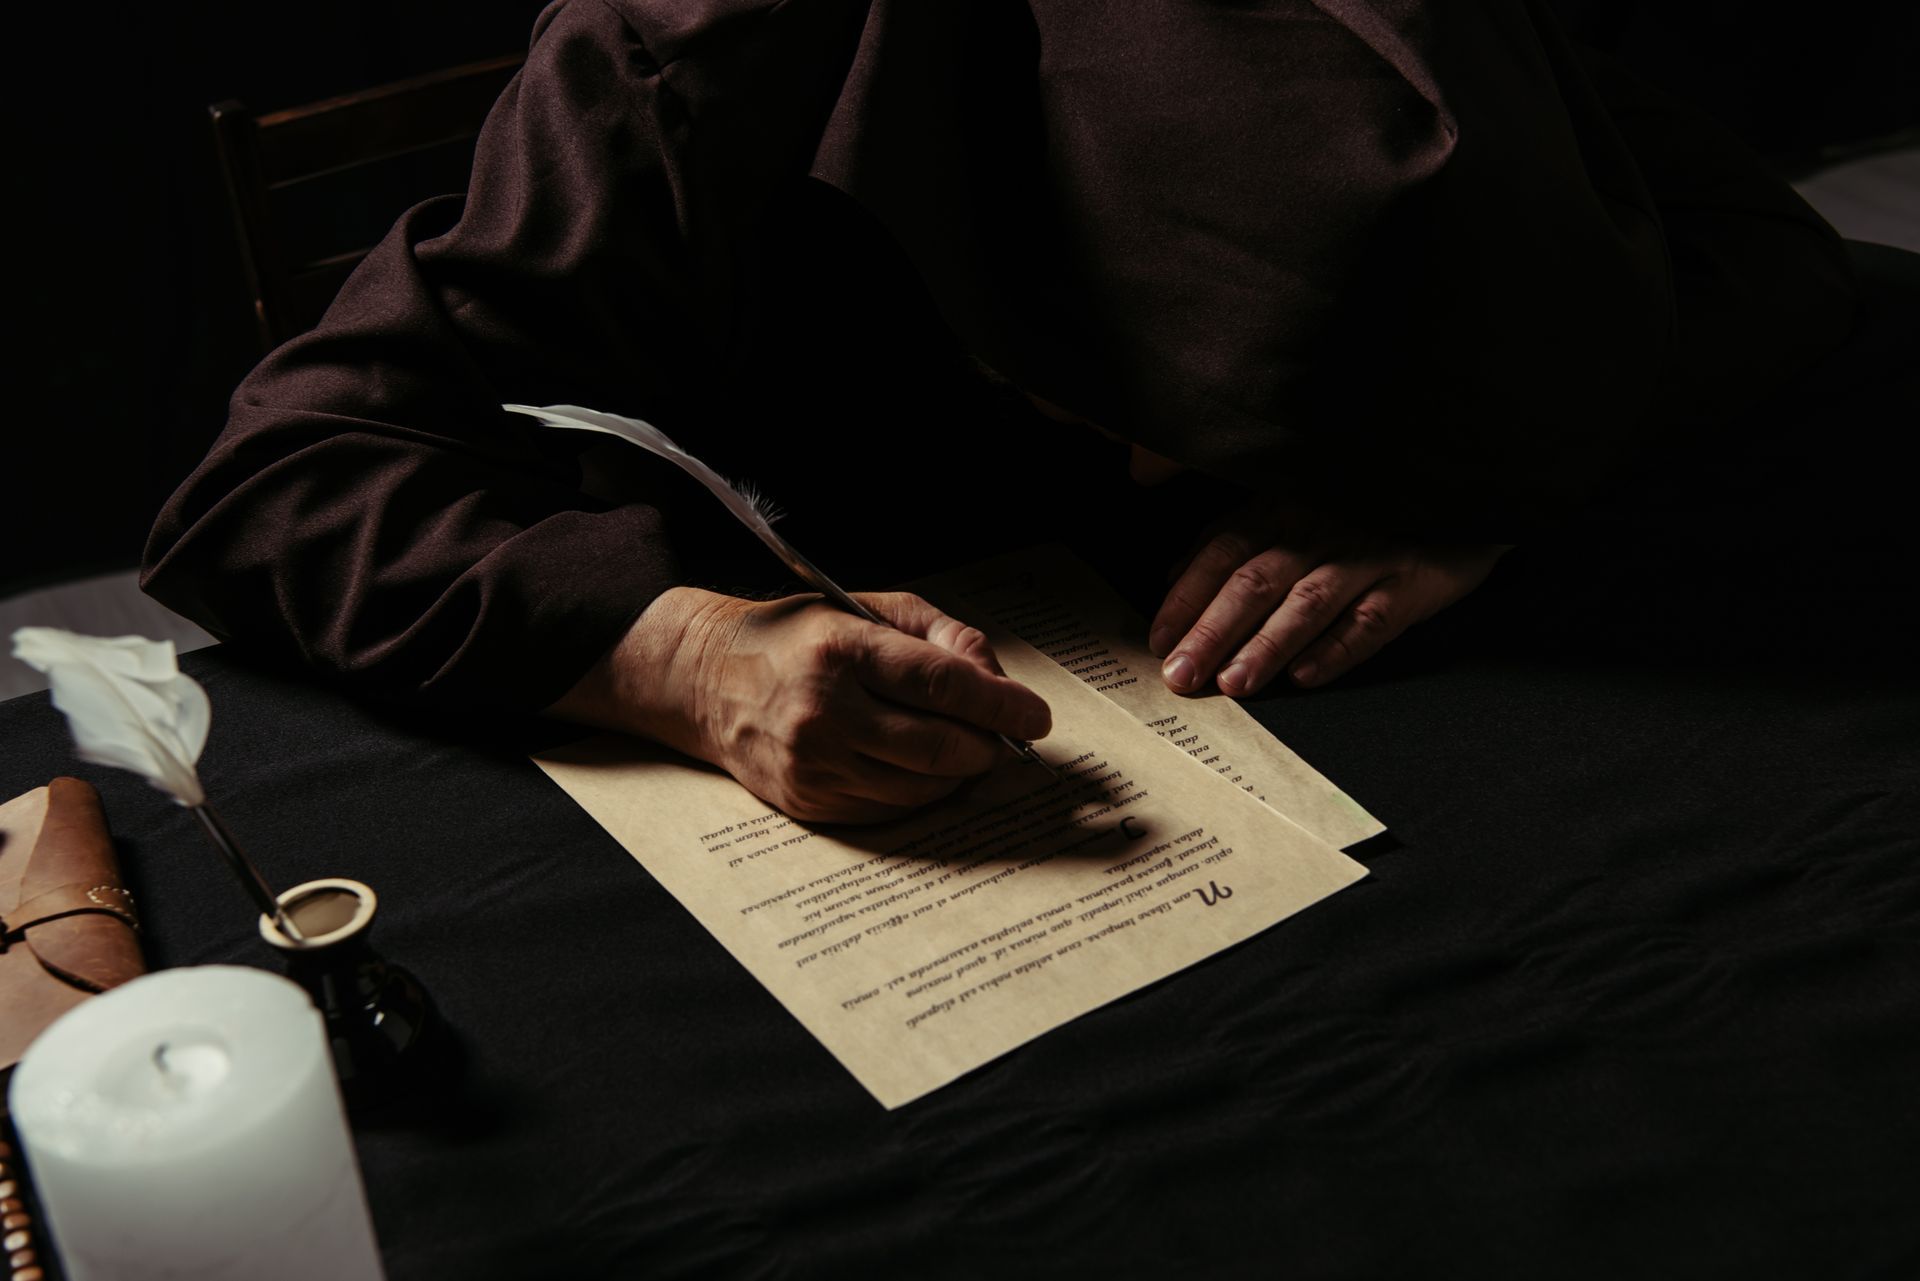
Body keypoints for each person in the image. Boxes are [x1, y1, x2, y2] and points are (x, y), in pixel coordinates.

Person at [142, 0, 1856, 823]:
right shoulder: (688, 63)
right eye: (1176, 416)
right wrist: (684, 656)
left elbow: (1764, 252)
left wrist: (1467, 479)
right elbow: (272, 481)